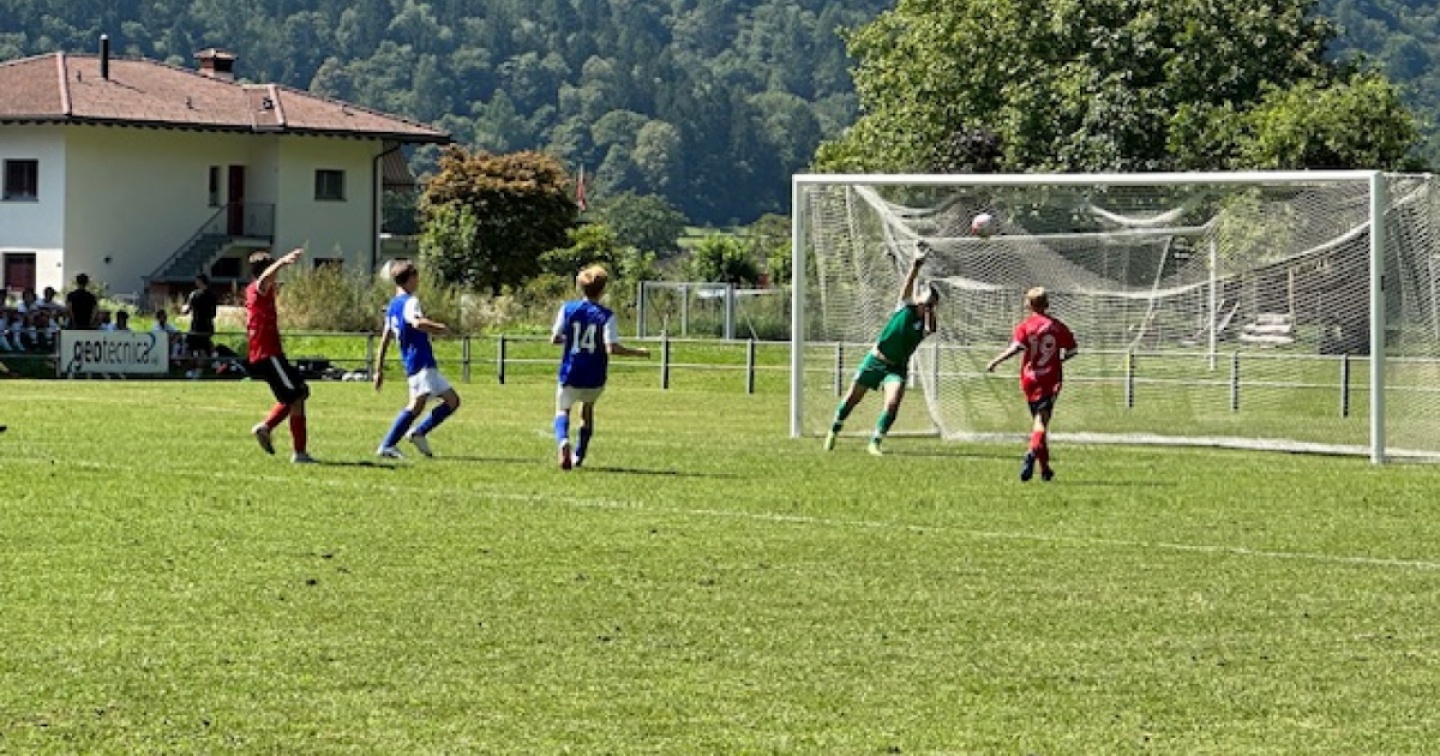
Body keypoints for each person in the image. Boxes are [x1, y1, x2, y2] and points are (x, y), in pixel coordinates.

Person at [824, 243, 937, 456]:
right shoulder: (904, 307)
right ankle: (834, 429)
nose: (924, 301)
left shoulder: (924, 325)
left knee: (892, 403)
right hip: (876, 360)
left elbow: (931, 329)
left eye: (929, 301)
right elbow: (908, 284)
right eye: (925, 299)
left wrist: (930, 307)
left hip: (896, 368)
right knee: (852, 398)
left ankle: (875, 442)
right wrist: (916, 265)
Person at [550, 264, 650, 470]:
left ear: (580, 287)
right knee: (587, 410)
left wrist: (571, 339)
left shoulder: (568, 309)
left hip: (571, 371)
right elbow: (611, 347)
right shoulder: (606, 315)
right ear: (603, 289)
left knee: (562, 410)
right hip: (595, 376)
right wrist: (637, 352)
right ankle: (579, 455)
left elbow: (555, 338)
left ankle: (563, 441)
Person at [986, 286, 1079, 482]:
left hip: (1030, 378)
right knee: (1041, 423)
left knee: (1039, 422)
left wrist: (995, 361)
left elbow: (1015, 348)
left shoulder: (1026, 326)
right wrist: (1058, 360)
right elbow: (1072, 350)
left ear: (1029, 304)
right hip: (1050, 379)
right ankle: (1031, 453)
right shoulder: (1057, 326)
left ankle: (1045, 469)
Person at [372, 261, 461, 459]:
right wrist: (441, 328)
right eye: (416, 277)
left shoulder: (392, 307)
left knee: (452, 401)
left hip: (419, 361)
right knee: (416, 405)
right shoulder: (410, 301)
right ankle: (387, 445)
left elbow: (385, 339)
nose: (418, 281)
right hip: (419, 360)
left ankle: (419, 433)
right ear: (410, 279)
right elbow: (417, 322)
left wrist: (378, 370)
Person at [244, 248, 314, 463]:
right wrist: (283, 262)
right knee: (296, 396)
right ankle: (270, 430)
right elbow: (265, 278)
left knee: (299, 393)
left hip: (270, 354)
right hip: (267, 354)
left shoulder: (256, 290)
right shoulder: (259, 288)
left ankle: (296, 450)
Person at [181, 274, 218, 379]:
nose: (195, 282)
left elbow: (186, 310)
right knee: (201, 350)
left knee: (192, 349)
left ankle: (192, 371)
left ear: (200, 281)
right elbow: (213, 314)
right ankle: (212, 358)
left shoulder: (194, 294)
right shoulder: (212, 295)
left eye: (197, 280)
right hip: (207, 326)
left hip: (196, 326)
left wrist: (183, 310)